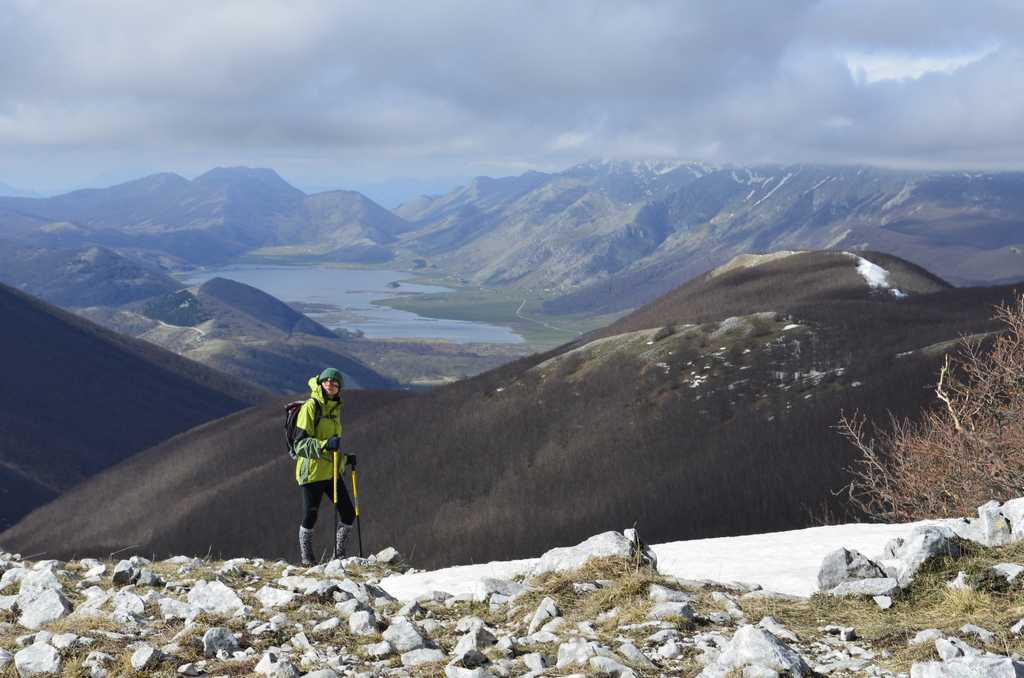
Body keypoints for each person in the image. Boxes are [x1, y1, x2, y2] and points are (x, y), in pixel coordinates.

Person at [291, 367, 356, 566]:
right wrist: (324, 444)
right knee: (310, 515)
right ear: (320, 383)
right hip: (311, 472)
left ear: (339, 389)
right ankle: (307, 558)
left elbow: (333, 449)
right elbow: (299, 444)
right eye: (326, 380)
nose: (330, 384)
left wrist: (345, 460)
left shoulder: (335, 410)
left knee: (348, 514)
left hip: (331, 471)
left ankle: (339, 554)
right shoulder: (311, 407)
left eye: (334, 383)